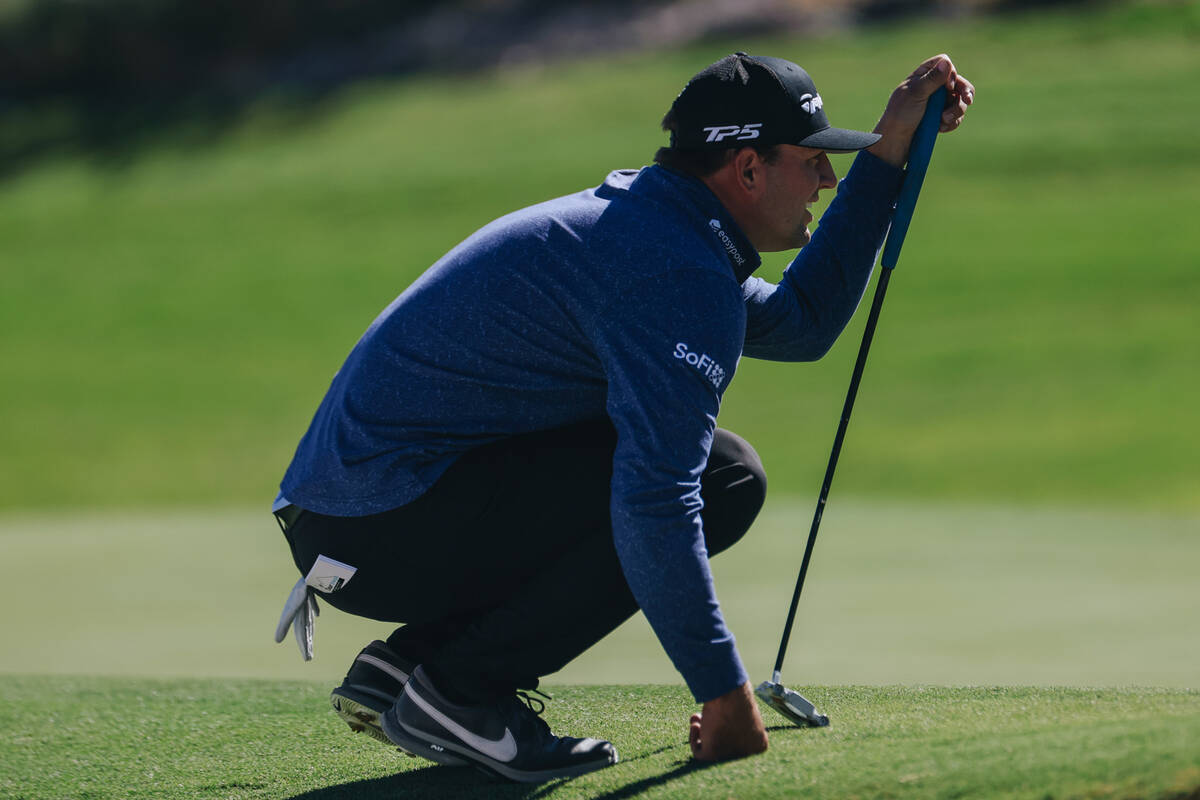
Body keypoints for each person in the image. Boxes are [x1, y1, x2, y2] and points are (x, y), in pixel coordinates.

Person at [272, 51, 974, 782]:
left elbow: (802, 324)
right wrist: (725, 693)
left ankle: (415, 667)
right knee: (721, 481)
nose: (826, 180)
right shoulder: (672, 268)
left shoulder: (662, 230)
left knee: (716, 470)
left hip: (360, 520)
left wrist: (888, 154)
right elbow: (655, 498)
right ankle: (460, 693)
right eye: (812, 162)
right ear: (747, 169)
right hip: (379, 525)